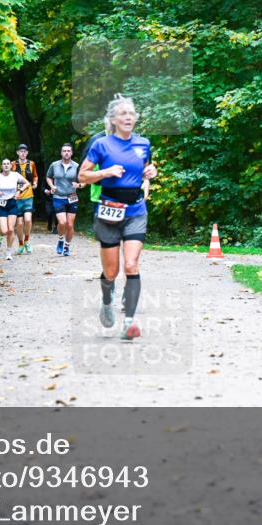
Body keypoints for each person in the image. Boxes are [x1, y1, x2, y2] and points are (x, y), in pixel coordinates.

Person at [78, 94, 157, 340]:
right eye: (123, 114)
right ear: (113, 119)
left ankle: (129, 323)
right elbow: (82, 176)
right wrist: (105, 172)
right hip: (108, 211)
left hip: (135, 210)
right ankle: (105, 300)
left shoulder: (144, 143)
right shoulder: (101, 145)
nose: (128, 117)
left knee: (131, 265)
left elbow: (145, 170)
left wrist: (150, 172)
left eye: (132, 114)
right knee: (110, 272)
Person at [0, 159, 31, 261]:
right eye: (4, 164)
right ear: (2, 166)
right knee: (4, 231)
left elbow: (27, 183)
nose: (6, 165)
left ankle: (8, 253)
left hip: (12, 203)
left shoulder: (15, 175)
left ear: (11, 166)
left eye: (8, 164)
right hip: (1, 204)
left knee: (11, 229)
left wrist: (19, 191)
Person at [46, 143, 81, 257]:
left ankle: (66, 246)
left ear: (71, 153)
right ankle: (61, 239)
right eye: (64, 151)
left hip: (72, 197)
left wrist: (79, 185)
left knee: (70, 225)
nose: (66, 153)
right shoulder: (54, 165)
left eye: (68, 151)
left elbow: (84, 179)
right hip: (58, 197)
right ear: (61, 153)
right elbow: (48, 177)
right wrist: (52, 186)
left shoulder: (77, 166)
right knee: (62, 222)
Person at [12, 144, 38, 254]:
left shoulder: (31, 164)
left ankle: (27, 241)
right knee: (19, 223)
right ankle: (20, 243)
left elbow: (35, 176)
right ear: (17, 152)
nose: (23, 153)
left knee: (28, 219)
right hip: (17, 196)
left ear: (27, 153)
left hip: (28, 195)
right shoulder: (13, 164)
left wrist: (35, 183)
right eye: (20, 151)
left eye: (25, 151)